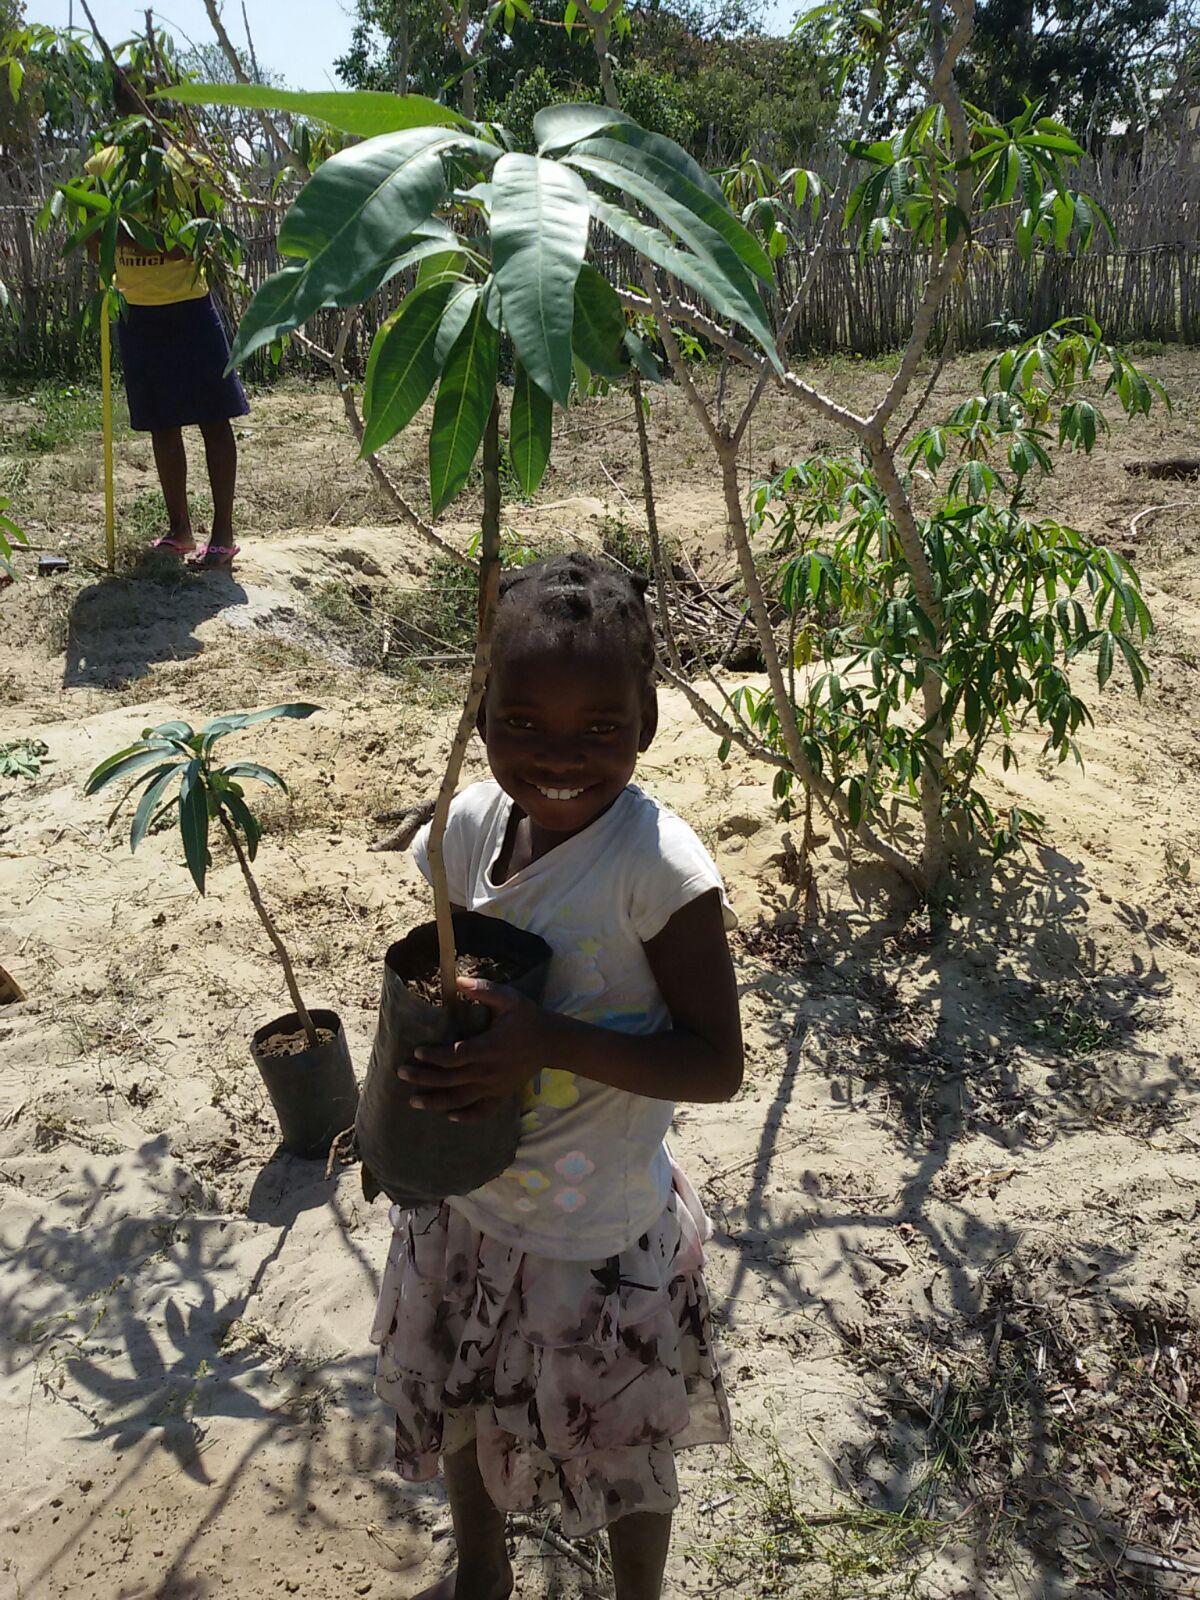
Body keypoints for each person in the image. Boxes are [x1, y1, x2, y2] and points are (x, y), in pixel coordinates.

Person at [370, 553, 744, 1600]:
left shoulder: (659, 871)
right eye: (523, 723)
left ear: (650, 720)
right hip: (465, 1203)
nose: (561, 757)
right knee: (460, 1389)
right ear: (481, 709)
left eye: (601, 728)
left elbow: (716, 1064)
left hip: (595, 1231)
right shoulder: (463, 832)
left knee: (618, 1437)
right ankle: (481, 1569)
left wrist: (547, 1041)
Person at [86, 80, 247, 570]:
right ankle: (180, 529)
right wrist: (126, 251)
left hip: (190, 306)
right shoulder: (103, 166)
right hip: (137, 310)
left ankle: (222, 533)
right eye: (133, 107)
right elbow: (96, 238)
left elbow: (202, 240)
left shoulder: (189, 163)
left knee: (213, 418)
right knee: (161, 422)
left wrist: (138, 244)